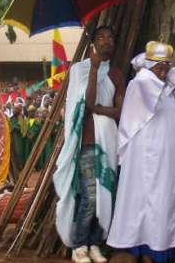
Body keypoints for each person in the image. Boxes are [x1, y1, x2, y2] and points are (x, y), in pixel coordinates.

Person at [107, 41, 175, 263]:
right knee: (140, 201)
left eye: (167, 68)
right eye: (159, 67)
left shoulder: (167, 87)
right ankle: (135, 249)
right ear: (148, 65)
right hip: (142, 157)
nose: (163, 72)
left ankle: (156, 249)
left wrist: (170, 71)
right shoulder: (141, 82)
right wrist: (151, 67)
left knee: (161, 201)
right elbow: (147, 81)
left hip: (164, 157)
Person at [54, 26, 125, 263]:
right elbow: (84, 103)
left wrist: (97, 110)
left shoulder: (116, 74)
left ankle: (94, 242)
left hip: (109, 141)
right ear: (93, 42)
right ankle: (79, 245)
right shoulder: (80, 70)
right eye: (102, 37)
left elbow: (118, 110)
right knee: (90, 196)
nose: (107, 41)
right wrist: (94, 69)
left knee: (106, 194)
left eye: (111, 37)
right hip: (88, 141)